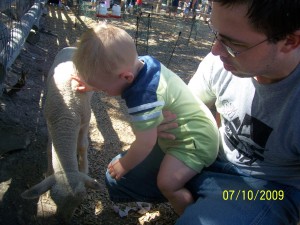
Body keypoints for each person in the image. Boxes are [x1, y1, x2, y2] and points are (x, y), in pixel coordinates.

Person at [105, 0, 300, 224]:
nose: (215, 50)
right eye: (216, 34)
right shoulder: (223, 62)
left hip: (266, 188)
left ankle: (212, 205)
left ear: (290, 42)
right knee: (117, 177)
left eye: (232, 44)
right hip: (208, 153)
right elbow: (190, 107)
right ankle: (206, 202)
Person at [72, 23, 219, 215]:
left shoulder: (143, 97)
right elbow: (113, 76)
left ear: (126, 77)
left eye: (104, 90)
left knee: (167, 183)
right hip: (198, 127)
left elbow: (145, 143)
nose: (105, 93)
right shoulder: (143, 64)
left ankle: (191, 216)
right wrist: (95, 83)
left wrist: (125, 165)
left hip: (194, 142)